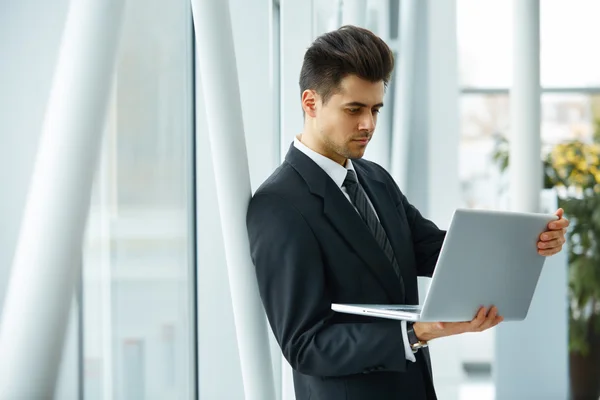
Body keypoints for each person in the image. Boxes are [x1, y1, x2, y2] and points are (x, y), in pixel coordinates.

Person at [246, 25, 568, 400]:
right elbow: (306, 345)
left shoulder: (373, 177)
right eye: (354, 109)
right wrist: (415, 333)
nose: (368, 124)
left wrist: (529, 243)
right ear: (311, 102)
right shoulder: (279, 205)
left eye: (375, 109)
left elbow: (434, 250)